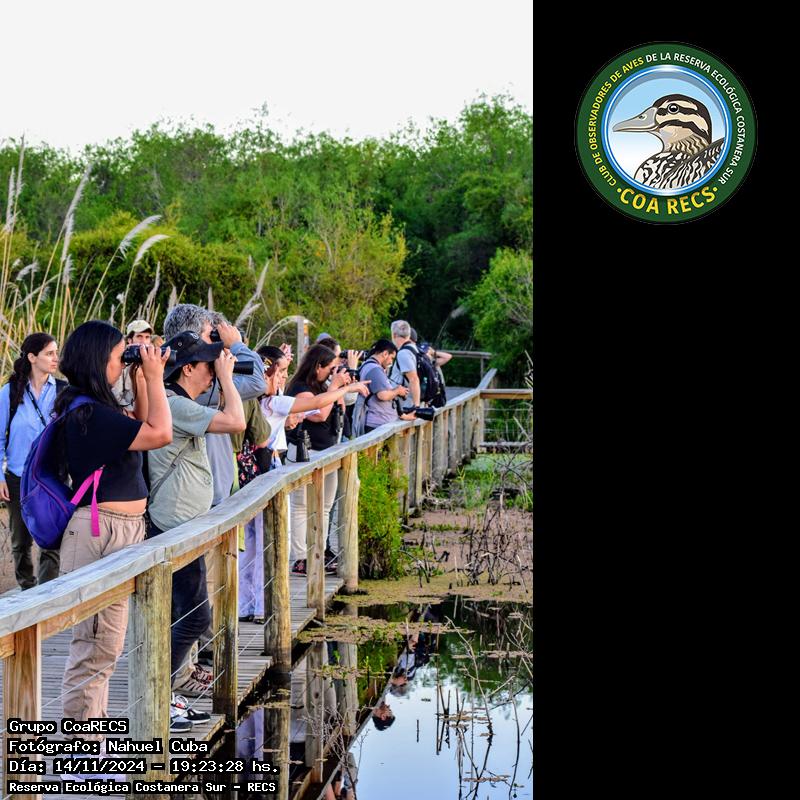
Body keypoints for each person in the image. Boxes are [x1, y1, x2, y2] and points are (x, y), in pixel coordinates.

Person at [54, 320, 172, 741]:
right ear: (97, 359)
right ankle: (81, 752)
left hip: (119, 530)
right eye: (120, 355)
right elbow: (161, 433)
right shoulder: (88, 413)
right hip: (99, 532)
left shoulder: (97, 409)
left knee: (106, 647)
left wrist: (140, 379)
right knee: (94, 648)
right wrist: (155, 378)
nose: (125, 361)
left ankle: (94, 744)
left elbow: (140, 423)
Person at [145, 331, 245, 725]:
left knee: (181, 616)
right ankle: (159, 696)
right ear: (187, 368)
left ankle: (164, 696)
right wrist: (228, 379)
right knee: (194, 617)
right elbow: (236, 421)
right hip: (174, 527)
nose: (213, 372)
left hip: (182, 527)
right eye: (208, 365)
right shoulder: (175, 403)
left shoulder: (177, 401)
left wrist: (222, 376)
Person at [284, 344, 363, 576]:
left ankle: (318, 553)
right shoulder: (300, 387)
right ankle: (301, 558)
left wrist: (341, 385)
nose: (332, 373)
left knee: (324, 507)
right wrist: (335, 387)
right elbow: (320, 415)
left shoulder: (322, 386)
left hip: (327, 452)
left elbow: (343, 406)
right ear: (317, 366)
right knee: (301, 506)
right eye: (330, 368)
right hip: (304, 452)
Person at [0, 333, 62, 589]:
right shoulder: (10, 392)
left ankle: (47, 594)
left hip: (53, 478)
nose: (55, 358)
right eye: (49, 353)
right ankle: (27, 588)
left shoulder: (63, 391)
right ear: (32, 357)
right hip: (17, 478)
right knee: (20, 542)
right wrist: (0, 477)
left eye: (56, 353)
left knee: (52, 541)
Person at [357, 339, 415, 433]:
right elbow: (382, 395)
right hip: (377, 425)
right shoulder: (374, 369)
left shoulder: (371, 366)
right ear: (385, 354)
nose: (391, 362)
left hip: (380, 423)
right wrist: (398, 391)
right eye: (391, 358)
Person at [389, 320, 421, 406]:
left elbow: (414, 379)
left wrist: (416, 406)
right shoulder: (414, 348)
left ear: (394, 335)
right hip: (406, 401)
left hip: (404, 403)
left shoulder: (404, 353)